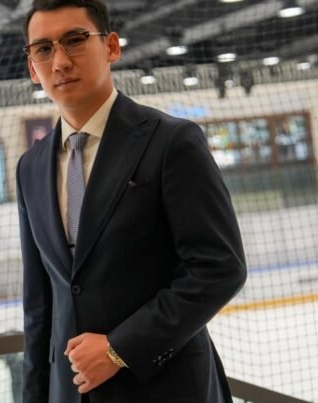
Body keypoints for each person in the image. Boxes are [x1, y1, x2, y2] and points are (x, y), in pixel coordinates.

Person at [17, 1, 247, 402]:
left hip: (167, 389)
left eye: (74, 40)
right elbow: (40, 306)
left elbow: (219, 268)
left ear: (111, 46)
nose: (60, 61)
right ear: (33, 68)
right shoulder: (30, 167)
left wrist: (118, 349)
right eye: (43, 49)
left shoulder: (171, 141)